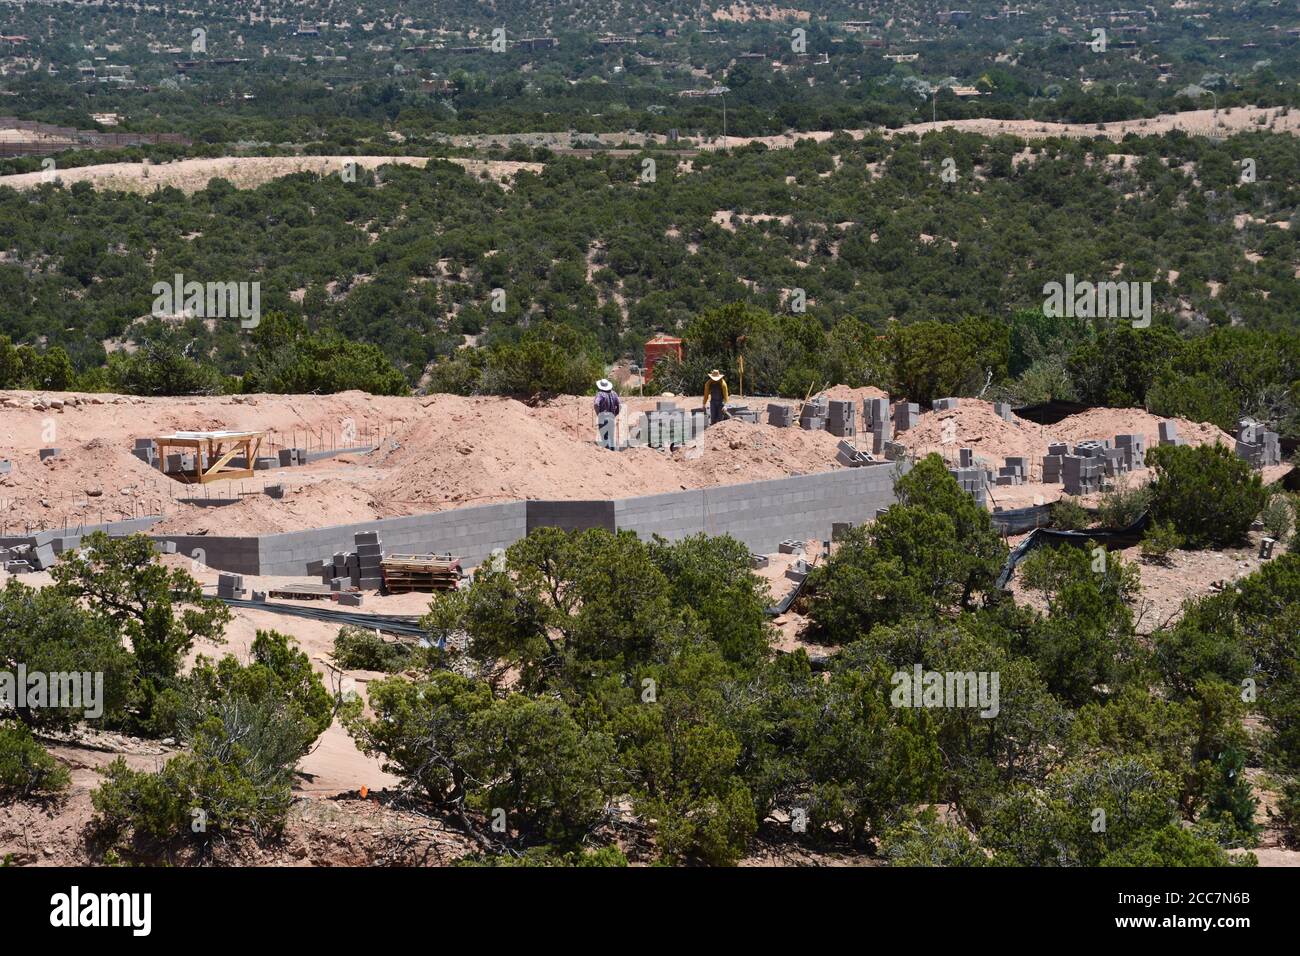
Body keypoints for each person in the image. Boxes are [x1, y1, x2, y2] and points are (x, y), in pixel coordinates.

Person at [594, 378, 620, 449]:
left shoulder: (600, 394)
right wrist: (615, 414)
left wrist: (598, 414)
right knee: (611, 436)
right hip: (611, 417)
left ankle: (608, 454)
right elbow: (619, 405)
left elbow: (596, 404)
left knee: (605, 437)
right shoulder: (614, 393)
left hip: (603, 417)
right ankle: (613, 453)